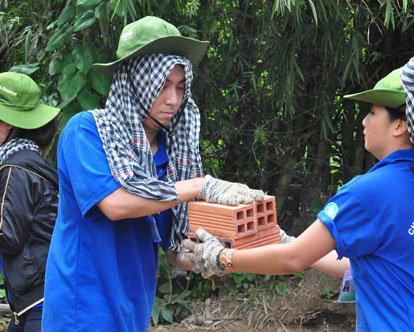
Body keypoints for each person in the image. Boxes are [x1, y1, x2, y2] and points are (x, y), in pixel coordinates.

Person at [182, 47, 414, 331]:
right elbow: (370, 266)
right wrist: (290, 241)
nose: (364, 121)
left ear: (400, 125)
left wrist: (221, 258)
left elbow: (292, 261)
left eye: (372, 113)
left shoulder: (369, 192)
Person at [42, 16, 264, 332]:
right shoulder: (87, 132)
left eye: (180, 87)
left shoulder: (168, 154)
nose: (173, 100)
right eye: (162, 86)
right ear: (134, 81)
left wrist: (219, 256)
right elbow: (117, 204)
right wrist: (202, 185)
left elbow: (175, 253)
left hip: (133, 315)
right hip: (82, 316)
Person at [0, 72, 61, 332]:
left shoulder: (17, 167)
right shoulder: (21, 160)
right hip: (35, 294)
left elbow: (8, 235)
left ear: (12, 124)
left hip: (41, 297)